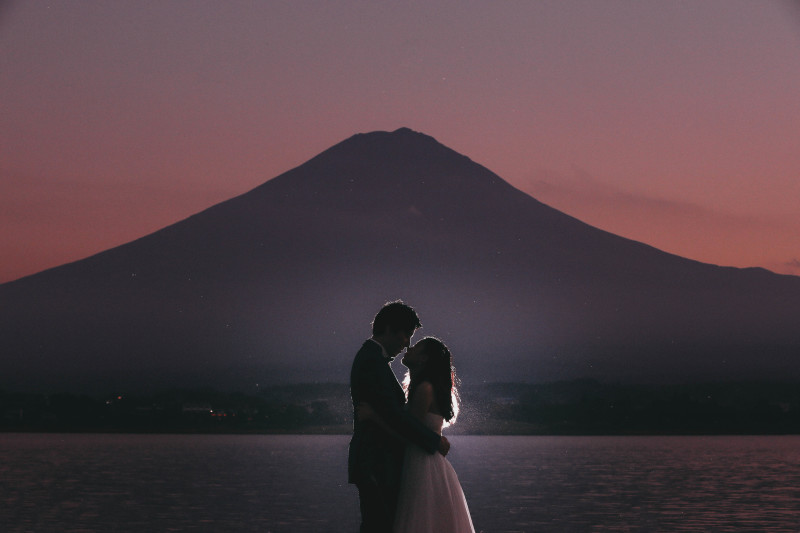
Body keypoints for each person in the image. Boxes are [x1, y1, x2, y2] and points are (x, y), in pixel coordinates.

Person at [348, 301, 451, 533]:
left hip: (378, 462)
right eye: (406, 335)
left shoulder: (372, 359)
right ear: (389, 329)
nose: (407, 344)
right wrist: (435, 441)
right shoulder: (372, 361)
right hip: (375, 462)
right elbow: (396, 416)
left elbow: (394, 416)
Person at [359, 336, 475, 533]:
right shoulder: (423, 387)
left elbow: (407, 433)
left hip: (422, 465)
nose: (409, 348)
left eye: (417, 347)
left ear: (424, 359)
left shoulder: (424, 389)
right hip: (425, 462)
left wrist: (373, 416)